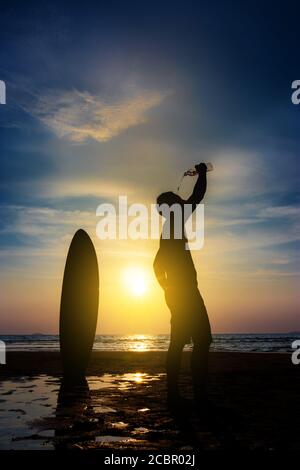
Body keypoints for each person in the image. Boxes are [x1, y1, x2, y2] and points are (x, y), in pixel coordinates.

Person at [153, 163, 212, 406]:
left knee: (184, 340)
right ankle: (189, 394)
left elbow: (157, 265)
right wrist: (202, 174)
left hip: (183, 292)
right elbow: (197, 196)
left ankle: (178, 393)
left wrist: (167, 289)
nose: (180, 200)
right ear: (169, 208)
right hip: (184, 293)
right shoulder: (174, 224)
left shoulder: (172, 226)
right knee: (197, 340)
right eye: (175, 199)